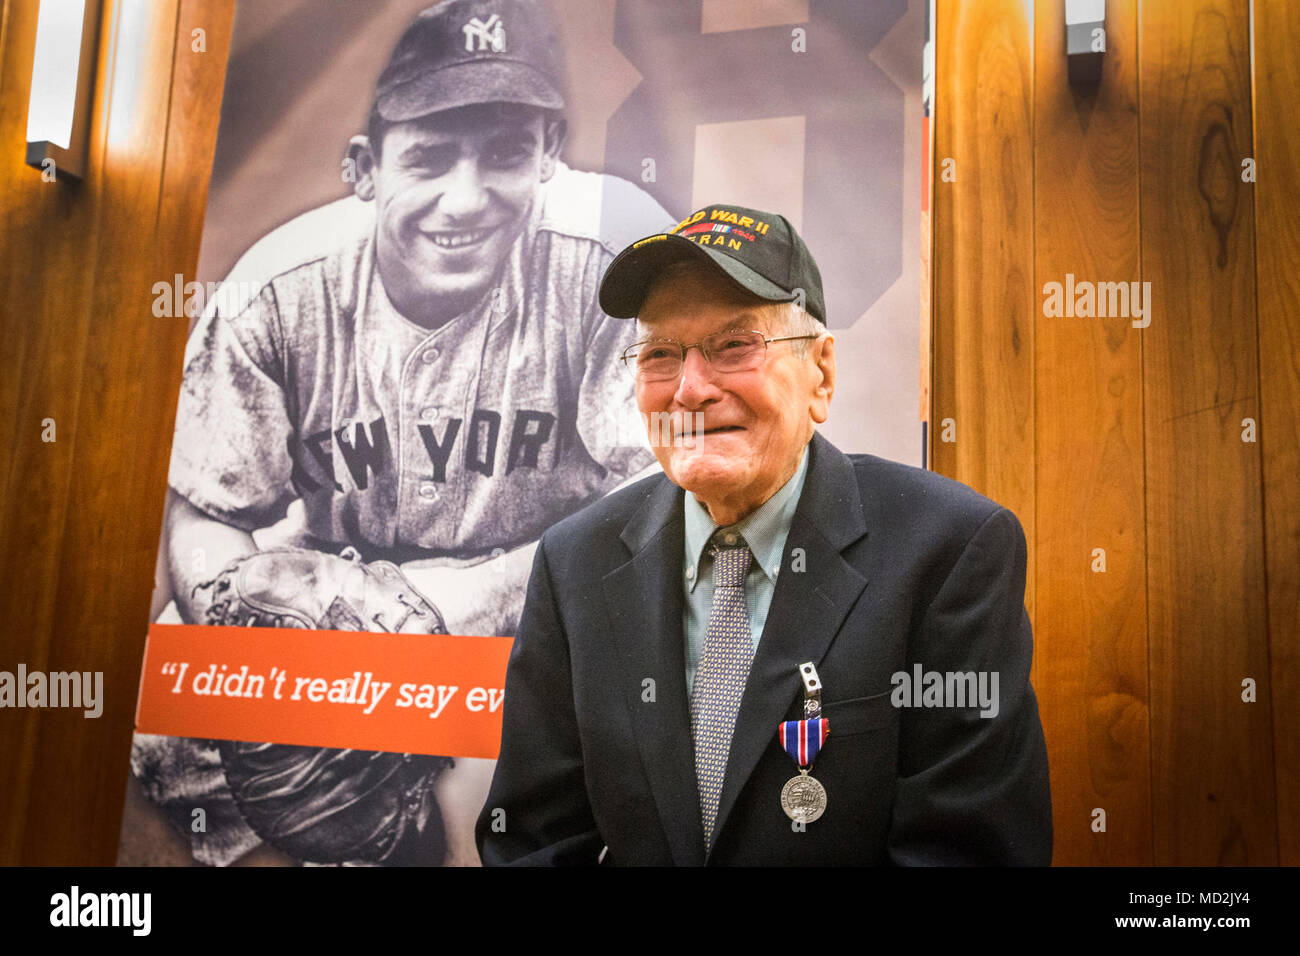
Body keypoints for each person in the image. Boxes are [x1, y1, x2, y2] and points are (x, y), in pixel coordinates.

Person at [127, 0, 669, 867]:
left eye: (505, 154)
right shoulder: (278, 290)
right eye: (427, 157)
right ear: (363, 167)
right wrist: (267, 646)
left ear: (550, 156)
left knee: (673, 691)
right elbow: (206, 510)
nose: (468, 196)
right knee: (169, 729)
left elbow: (663, 495)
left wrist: (446, 612)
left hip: (548, 594)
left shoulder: (615, 253)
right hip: (337, 599)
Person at [476, 203, 1053, 865]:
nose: (690, 391)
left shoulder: (951, 551)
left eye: (734, 346)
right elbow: (530, 839)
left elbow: (970, 852)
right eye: (660, 354)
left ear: (822, 374)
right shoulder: (574, 561)